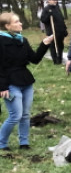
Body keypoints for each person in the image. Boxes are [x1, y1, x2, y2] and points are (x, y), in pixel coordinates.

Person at [0, 13, 54, 151]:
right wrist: (2, 87)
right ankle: (2, 143)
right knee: (15, 115)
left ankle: (24, 143)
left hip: (26, 81)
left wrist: (44, 44)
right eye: (17, 22)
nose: (21, 24)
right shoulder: (1, 41)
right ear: (7, 26)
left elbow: (34, 59)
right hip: (10, 84)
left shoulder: (22, 40)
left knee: (25, 115)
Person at [39, 0, 67, 65]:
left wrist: (64, 29)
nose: (55, 1)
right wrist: (49, 14)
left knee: (60, 45)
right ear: (48, 0)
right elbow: (43, 20)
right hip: (52, 31)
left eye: (56, 0)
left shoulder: (57, 8)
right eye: (53, 0)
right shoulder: (46, 9)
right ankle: (55, 60)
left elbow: (61, 19)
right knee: (53, 46)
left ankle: (60, 59)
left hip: (60, 31)